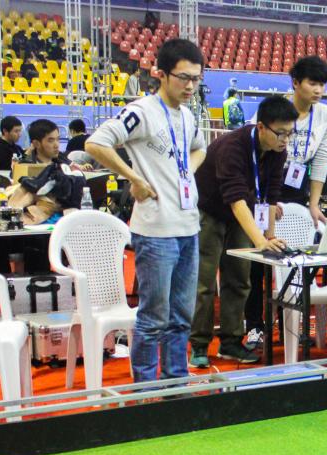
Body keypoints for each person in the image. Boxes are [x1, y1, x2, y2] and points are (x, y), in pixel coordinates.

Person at [86, 38, 208, 384]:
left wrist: (184, 173)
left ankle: (175, 382)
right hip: (155, 231)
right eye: (183, 78)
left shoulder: (188, 115)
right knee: (154, 318)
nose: (190, 86)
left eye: (196, 79)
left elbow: (200, 149)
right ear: (162, 74)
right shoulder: (142, 111)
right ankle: (144, 388)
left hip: (188, 227)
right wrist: (134, 179)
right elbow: (95, 143)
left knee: (181, 317)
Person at [189, 95, 294, 368]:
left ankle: (231, 342)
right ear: (261, 127)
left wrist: (269, 236)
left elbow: (270, 196)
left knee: (239, 277)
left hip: (241, 213)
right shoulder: (233, 147)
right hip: (209, 210)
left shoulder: (278, 152)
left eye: (290, 133)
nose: (285, 140)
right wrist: (260, 241)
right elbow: (235, 200)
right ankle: (199, 344)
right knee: (204, 281)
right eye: (280, 133)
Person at [244, 55, 327, 350]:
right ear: (295, 83)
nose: (318, 90)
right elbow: (252, 157)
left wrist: (314, 203)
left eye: (322, 84)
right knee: (260, 259)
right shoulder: (273, 110)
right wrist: (265, 200)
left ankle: (294, 324)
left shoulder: (326, 115)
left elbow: (321, 158)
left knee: (297, 257)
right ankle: (254, 326)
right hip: (263, 186)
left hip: (297, 187)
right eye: (312, 83)